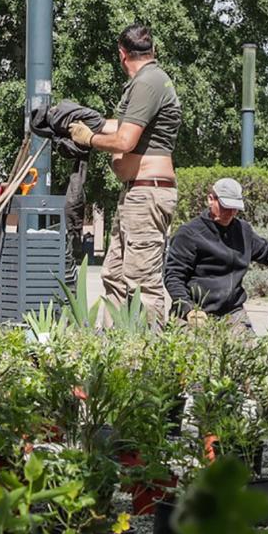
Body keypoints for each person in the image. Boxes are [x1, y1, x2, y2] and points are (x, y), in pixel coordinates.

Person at [69, 23, 181, 327]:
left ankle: (153, 360)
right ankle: (114, 350)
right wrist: (77, 121)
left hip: (148, 193)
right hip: (136, 193)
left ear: (122, 54)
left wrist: (88, 139)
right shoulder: (148, 82)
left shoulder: (148, 82)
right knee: (115, 275)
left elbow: (124, 141)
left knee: (142, 283)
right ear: (152, 49)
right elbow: (123, 126)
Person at [163, 177, 268, 331]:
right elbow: (173, 276)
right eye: (225, 207)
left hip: (232, 313)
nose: (230, 213)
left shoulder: (243, 231)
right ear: (211, 199)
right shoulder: (189, 234)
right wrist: (188, 308)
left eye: (235, 208)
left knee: (249, 354)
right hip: (194, 311)